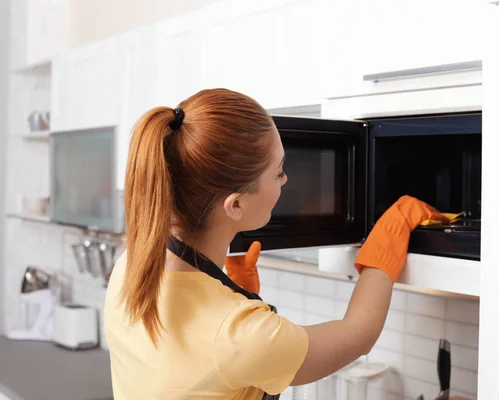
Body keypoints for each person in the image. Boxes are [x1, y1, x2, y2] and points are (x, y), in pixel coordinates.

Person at [104, 88, 449, 400]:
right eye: (279, 171)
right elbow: (359, 334)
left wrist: (229, 290)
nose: (286, 181)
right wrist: (391, 230)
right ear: (235, 205)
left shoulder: (130, 267)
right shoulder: (243, 336)